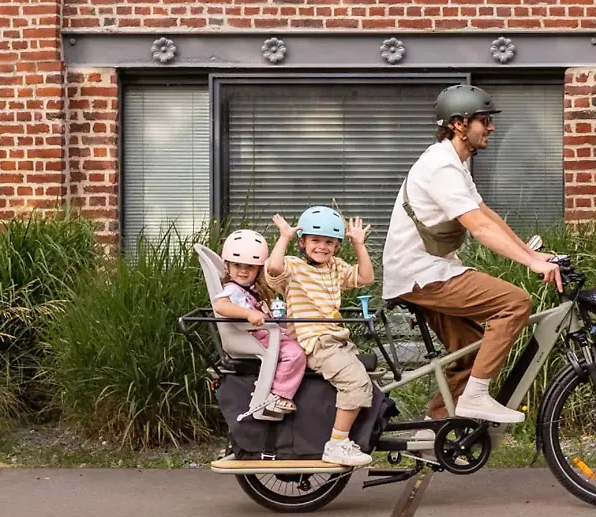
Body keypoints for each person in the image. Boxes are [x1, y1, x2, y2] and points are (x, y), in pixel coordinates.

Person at [381, 84, 563, 426]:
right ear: (458, 124)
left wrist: (534, 253)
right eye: (483, 120)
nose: (491, 127)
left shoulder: (454, 164)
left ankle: (435, 431)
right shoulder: (441, 169)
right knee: (514, 303)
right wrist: (531, 264)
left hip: (427, 270)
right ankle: (475, 398)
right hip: (421, 274)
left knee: (473, 348)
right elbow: (479, 228)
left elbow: (485, 213)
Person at [266, 206, 377, 467]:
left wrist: (359, 244)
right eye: (315, 240)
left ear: (337, 245)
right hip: (316, 342)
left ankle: (350, 434)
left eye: (329, 242)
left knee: (369, 374)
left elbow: (366, 277)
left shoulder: (335, 268)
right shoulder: (292, 268)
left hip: (337, 340)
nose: (322, 247)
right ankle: (337, 444)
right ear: (302, 242)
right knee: (356, 382)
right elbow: (273, 268)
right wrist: (284, 237)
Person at [212, 229, 306, 420]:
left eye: (250, 267)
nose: (243, 271)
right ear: (227, 265)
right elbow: (221, 306)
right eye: (237, 265)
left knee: (301, 339)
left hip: (263, 333)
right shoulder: (232, 289)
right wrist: (248, 313)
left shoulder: (249, 289)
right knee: (295, 353)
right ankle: (277, 395)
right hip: (253, 337)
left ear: (258, 269)